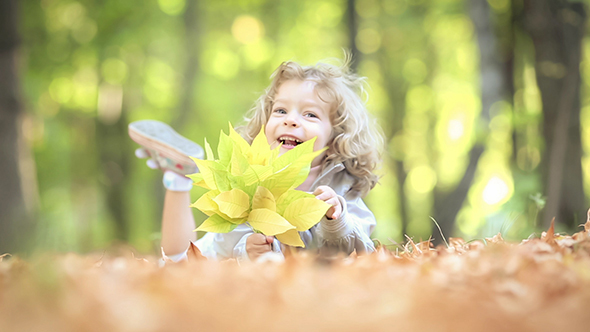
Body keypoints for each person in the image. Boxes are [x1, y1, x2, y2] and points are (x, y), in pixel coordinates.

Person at [130, 57, 384, 262]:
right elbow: (229, 245)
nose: (291, 119)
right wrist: (246, 250)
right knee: (177, 262)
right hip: (230, 259)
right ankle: (178, 179)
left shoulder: (342, 188)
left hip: (296, 283)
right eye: (281, 110)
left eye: (310, 115)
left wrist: (336, 220)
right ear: (265, 125)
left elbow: (363, 252)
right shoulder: (251, 179)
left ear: (335, 136)